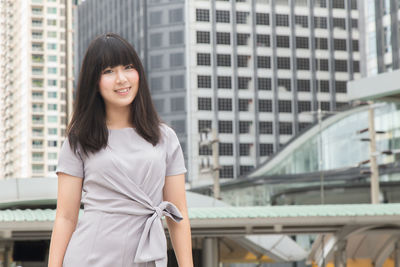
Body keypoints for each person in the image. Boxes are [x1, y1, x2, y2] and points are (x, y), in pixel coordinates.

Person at [48, 33, 193, 267]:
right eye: (108, 71)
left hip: (148, 257)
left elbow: (179, 214)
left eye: (128, 67)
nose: (121, 79)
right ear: (94, 81)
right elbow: (65, 217)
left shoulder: (165, 137)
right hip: (89, 258)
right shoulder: (79, 139)